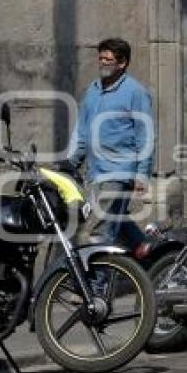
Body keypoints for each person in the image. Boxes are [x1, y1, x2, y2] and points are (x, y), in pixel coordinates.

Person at [68, 38, 154, 255]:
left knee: (99, 232)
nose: (103, 63)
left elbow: (145, 136)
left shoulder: (136, 92)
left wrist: (141, 175)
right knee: (115, 221)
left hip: (118, 173)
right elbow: (81, 130)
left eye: (109, 59)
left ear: (122, 63)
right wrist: (70, 162)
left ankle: (97, 287)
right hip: (94, 173)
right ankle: (151, 254)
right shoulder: (92, 91)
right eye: (101, 59)